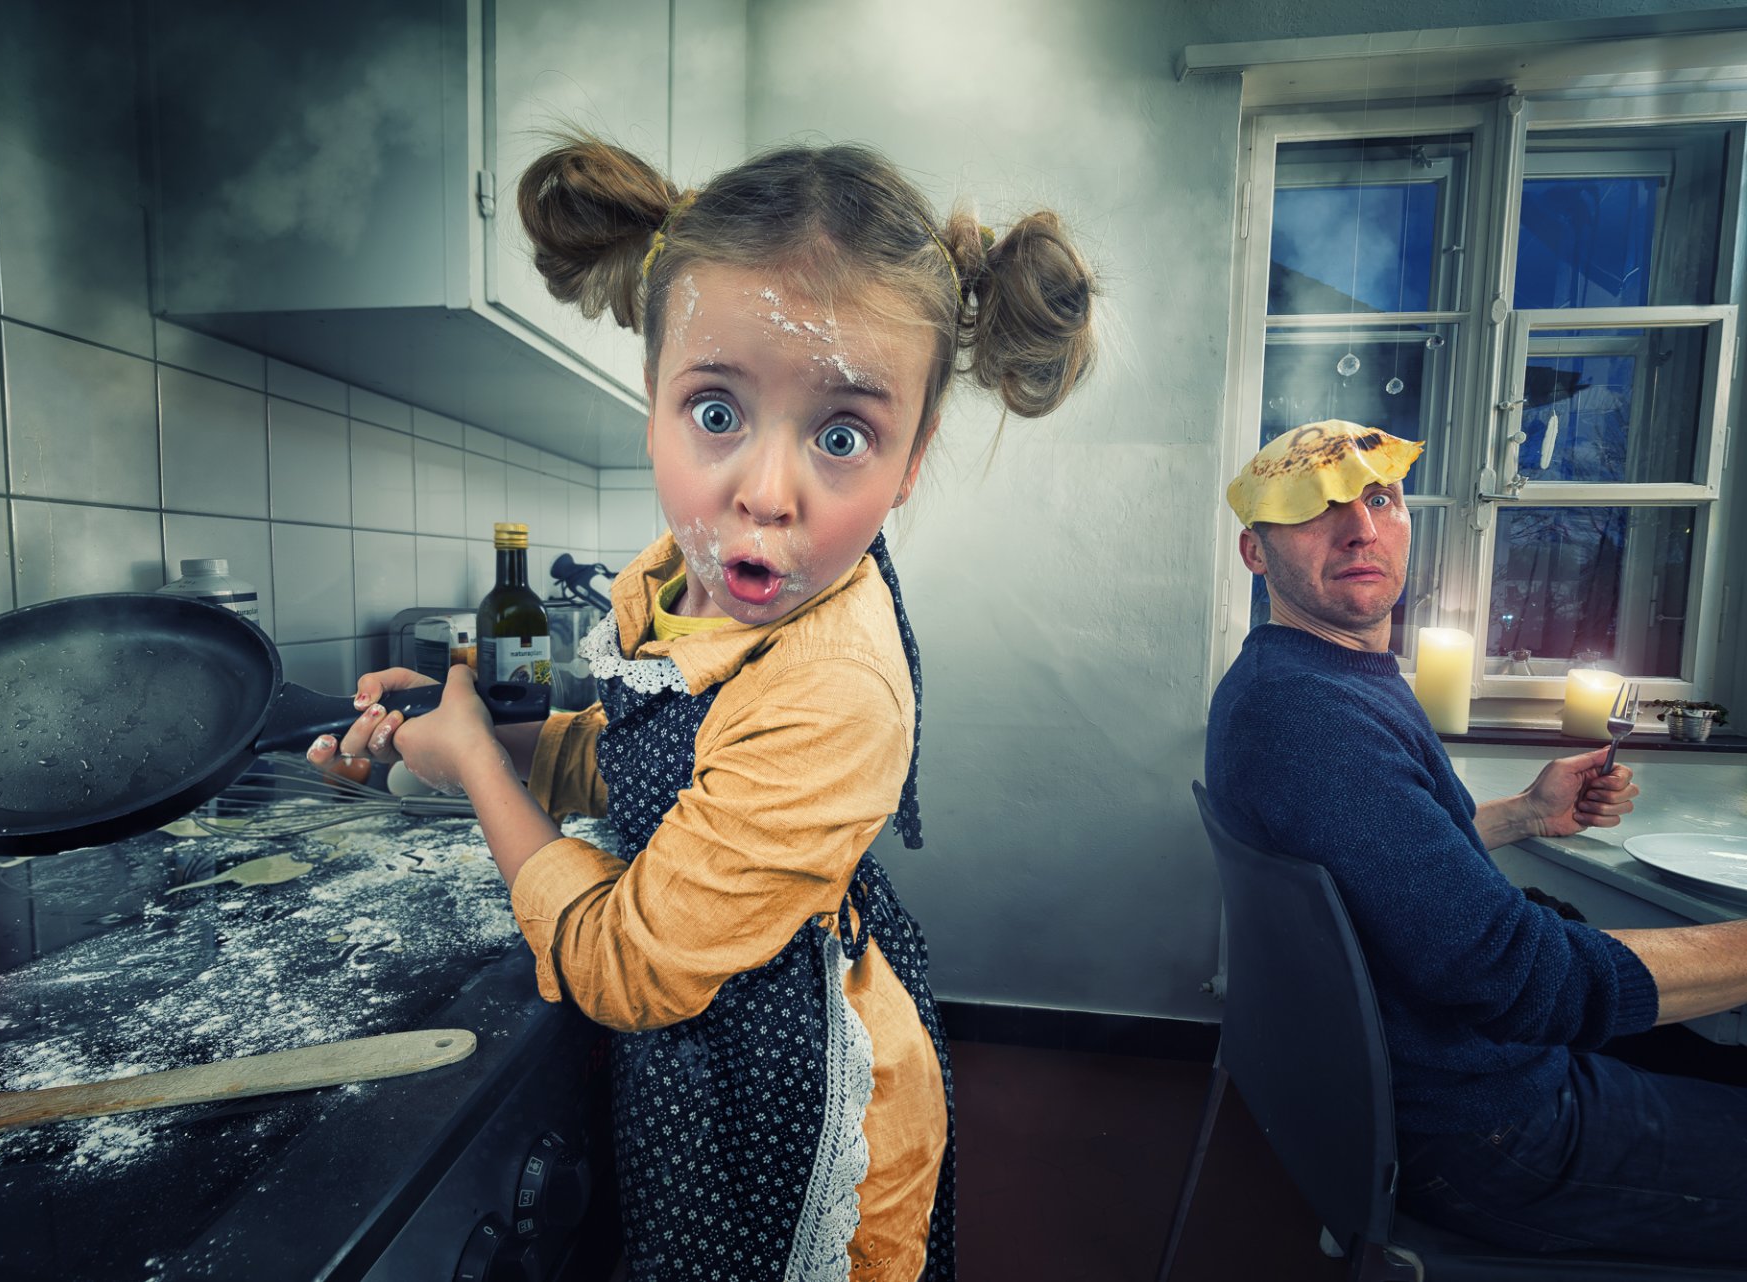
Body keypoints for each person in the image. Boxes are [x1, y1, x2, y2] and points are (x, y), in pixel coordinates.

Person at [309, 135, 1096, 1281]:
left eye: (842, 436)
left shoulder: (834, 685)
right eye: (716, 414)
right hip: (703, 1041)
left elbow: (625, 965)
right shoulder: (691, 579)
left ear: (915, 456)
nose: (762, 493)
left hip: (772, 1096)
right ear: (652, 401)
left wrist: (480, 766)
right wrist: (480, 732)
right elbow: (649, 759)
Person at [1206, 418, 1747, 1261]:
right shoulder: (1312, 714)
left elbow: (1375, 871)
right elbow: (1514, 976)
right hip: (1491, 1134)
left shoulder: (1307, 678)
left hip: (1469, 1085)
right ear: (1254, 552)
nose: (1361, 527)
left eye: (1380, 498)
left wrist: (1525, 814)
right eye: (1315, 507)